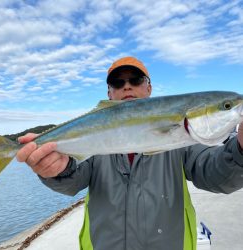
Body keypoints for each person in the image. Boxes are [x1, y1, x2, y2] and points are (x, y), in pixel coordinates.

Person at [16, 56, 243, 250]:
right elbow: (73, 179)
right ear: (109, 93)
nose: (127, 87)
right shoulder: (93, 142)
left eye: (135, 80)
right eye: (117, 82)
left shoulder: (183, 142)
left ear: (149, 87)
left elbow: (215, 173)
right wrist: (58, 170)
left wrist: (240, 151)